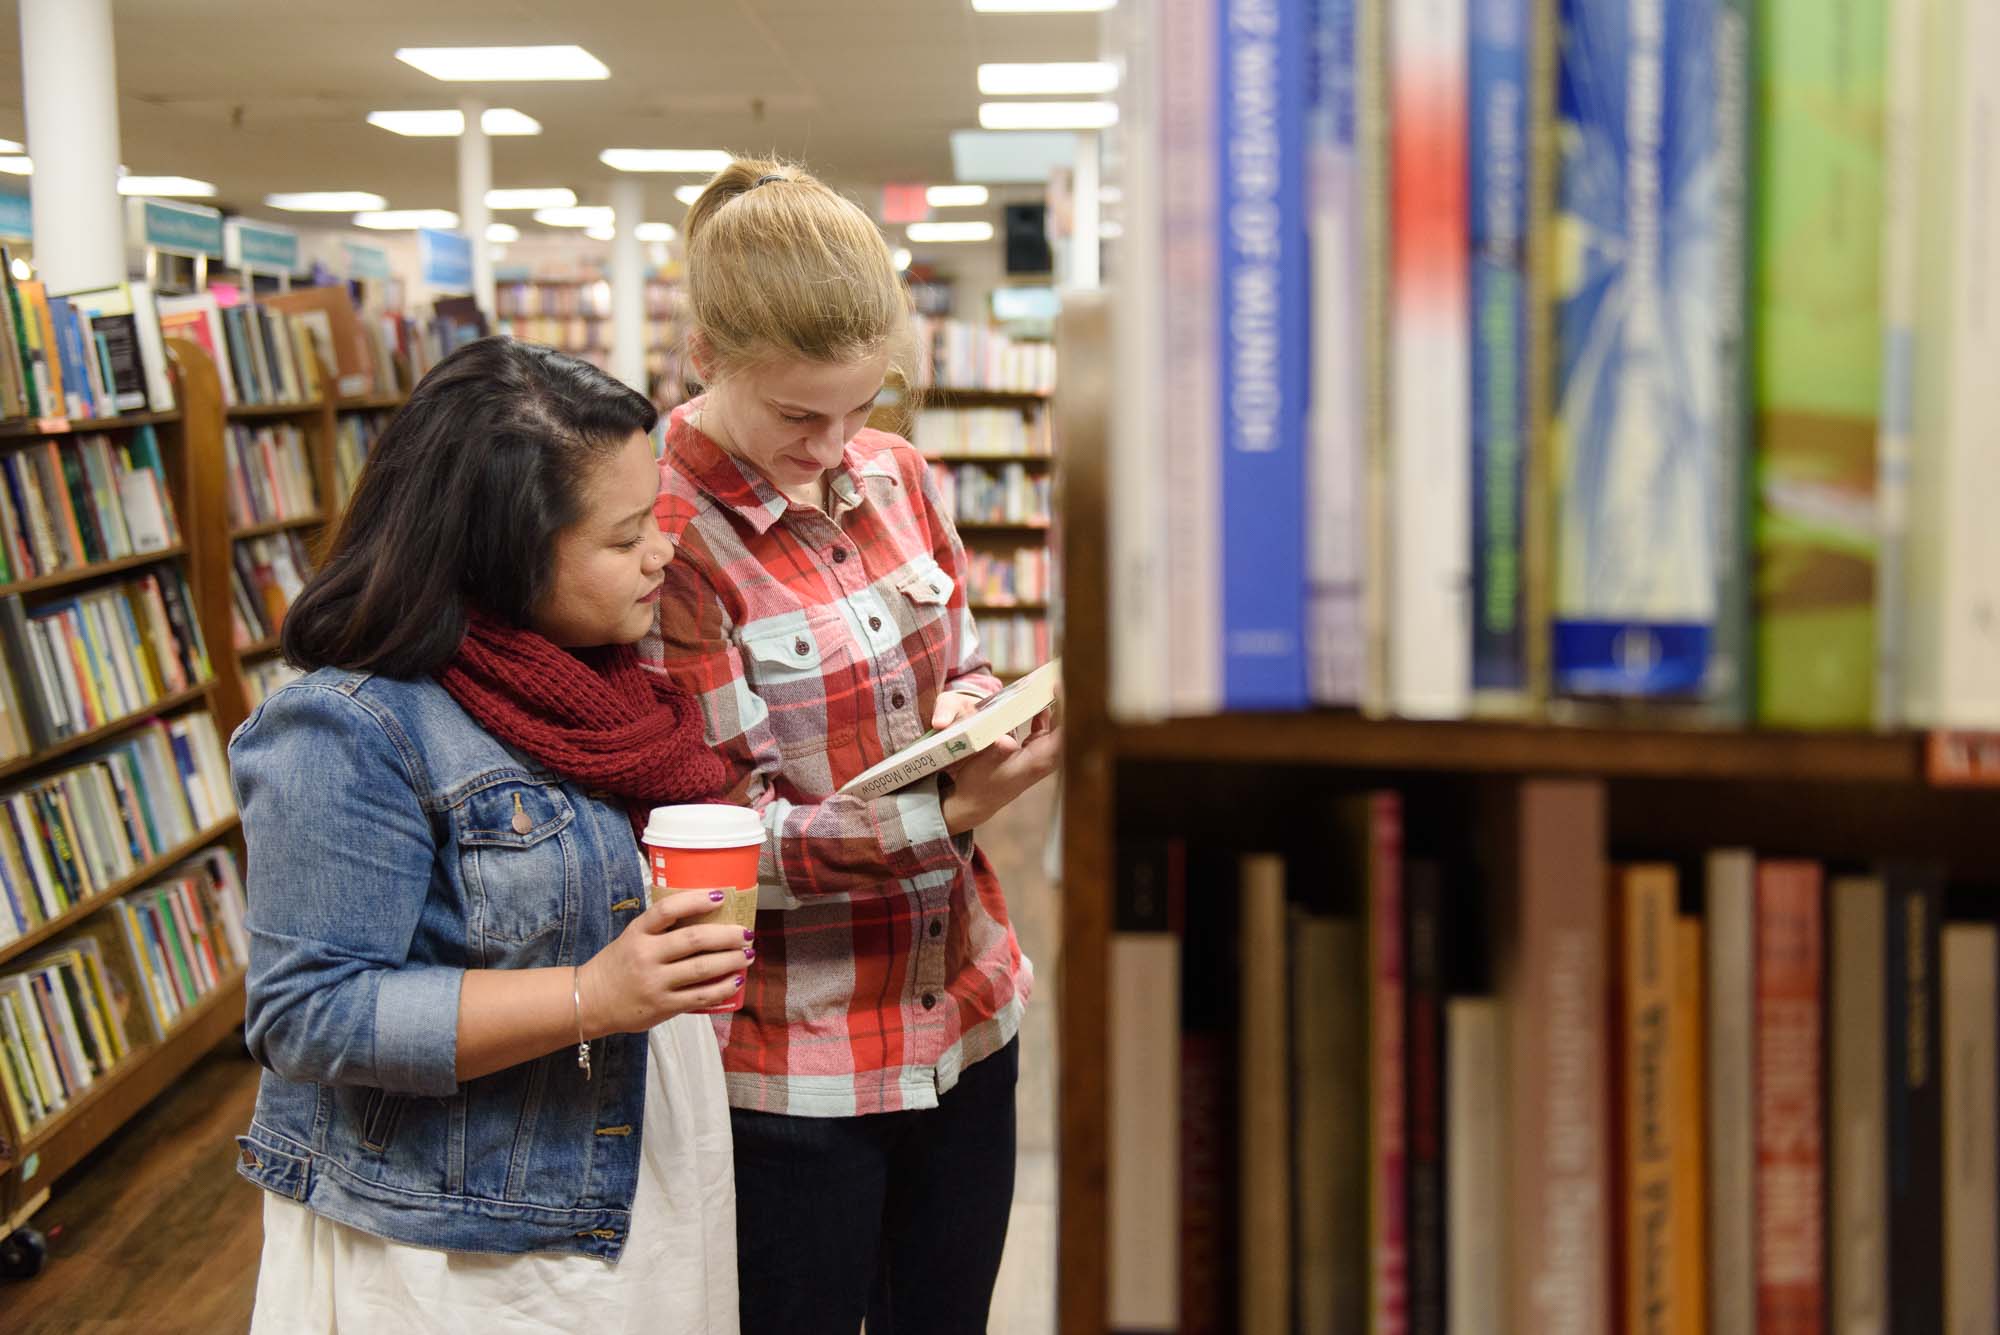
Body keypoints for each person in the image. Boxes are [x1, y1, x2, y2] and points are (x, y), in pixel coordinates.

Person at [232, 337, 748, 1334]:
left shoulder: (608, 691)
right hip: (457, 1242)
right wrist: (591, 994)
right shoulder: (350, 727)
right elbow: (308, 1014)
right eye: (622, 534)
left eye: (658, 517)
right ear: (503, 552)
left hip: (630, 1171)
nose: (662, 553)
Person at [643, 158, 1061, 1334]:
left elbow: (961, 656)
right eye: (796, 416)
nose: (835, 448)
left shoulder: (900, 475)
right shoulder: (661, 536)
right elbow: (707, 849)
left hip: (966, 1004)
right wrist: (942, 813)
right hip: (793, 1059)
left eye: (859, 408)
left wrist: (972, 707)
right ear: (706, 354)